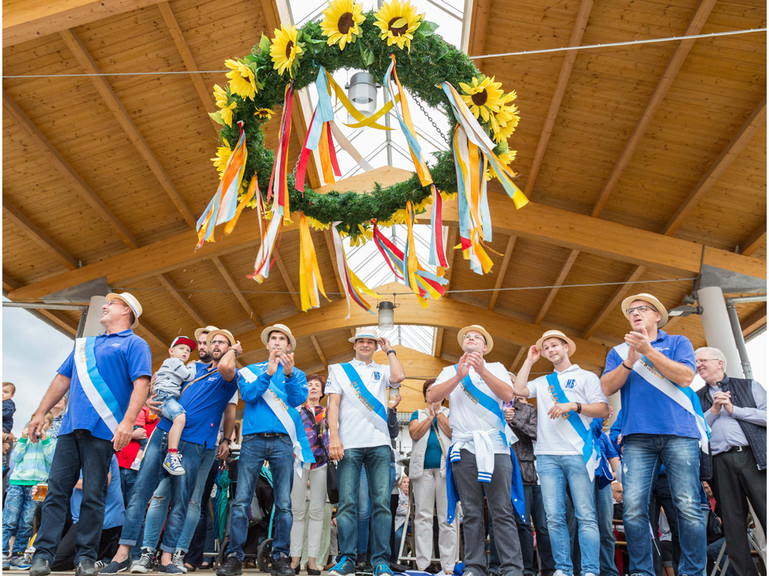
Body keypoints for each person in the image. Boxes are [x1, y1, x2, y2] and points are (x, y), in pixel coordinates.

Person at [28, 292, 151, 576]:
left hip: (103, 430)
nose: (105, 306)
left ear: (127, 311)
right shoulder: (85, 345)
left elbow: (141, 384)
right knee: (56, 492)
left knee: (94, 495)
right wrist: (39, 413)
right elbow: (62, 378)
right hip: (70, 428)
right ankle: (42, 555)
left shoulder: (136, 343)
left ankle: (85, 558)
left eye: (112, 303)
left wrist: (127, 423)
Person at [105, 327, 240, 574]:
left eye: (223, 342)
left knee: (182, 502)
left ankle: (168, 558)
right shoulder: (191, 369)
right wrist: (151, 399)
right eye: (213, 342)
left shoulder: (230, 374)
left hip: (196, 443)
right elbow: (165, 389)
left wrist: (231, 350)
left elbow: (226, 369)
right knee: (141, 495)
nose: (216, 345)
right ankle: (124, 554)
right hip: (164, 434)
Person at [600, 293, 706, 576]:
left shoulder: (677, 342)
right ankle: (641, 572)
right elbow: (607, 388)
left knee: (688, 506)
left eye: (642, 309)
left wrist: (648, 351)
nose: (635, 313)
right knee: (634, 509)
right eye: (631, 311)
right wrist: (629, 361)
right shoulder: (618, 352)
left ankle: (694, 572)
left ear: (657, 315)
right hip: (637, 437)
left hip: (679, 433)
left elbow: (685, 377)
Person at [428, 325, 525, 576]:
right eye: (467, 337)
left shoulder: (496, 368)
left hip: (495, 445)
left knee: (501, 509)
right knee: (470, 511)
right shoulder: (449, 370)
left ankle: (512, 568)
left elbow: (508, 394)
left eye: (477, 337)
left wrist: (480, 369)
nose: (471, 338)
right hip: (464, 446)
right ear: (463, 346)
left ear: (484, 347)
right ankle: (474, 567)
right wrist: (459, 376)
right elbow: (433, 397)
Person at [513, 329, 609, 576]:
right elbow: (519, 390)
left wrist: (574, 406)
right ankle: (562, 569)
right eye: (546, 348)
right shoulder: (543, 381)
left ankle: (589, 570)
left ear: (566, 347)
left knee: (586, 515)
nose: (550, 350)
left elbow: (603, 409)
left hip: (578, 452)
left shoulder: (586, 377)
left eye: (554, 345)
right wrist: (529, 360)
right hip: (546, 456)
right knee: (553, 517)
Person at [218, 323, 308, 576]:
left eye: (282, 339)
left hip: (282, 442)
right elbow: (248, 395)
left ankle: (281, 556)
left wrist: (288, 376)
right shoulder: (249, 371)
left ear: (288, 346)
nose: (277, 342)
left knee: (284, 504)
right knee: (241, 501)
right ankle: (234, 556)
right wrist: (267, 373)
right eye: (274, 338)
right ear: (267, 344)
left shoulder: (296, 373)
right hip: (253, 440)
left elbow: (297, 400)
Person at [326, 328, 405, 576]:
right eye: (361, 341)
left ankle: (380, 560)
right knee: (348, 504)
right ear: (354, 345)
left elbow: (399, 376)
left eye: (370, 342)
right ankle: (347, 558)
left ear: (375, 345)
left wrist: (389, 350)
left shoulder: (382, 370)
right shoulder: (338, 369)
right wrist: (334, 437)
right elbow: (333, 404)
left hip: (379, 443)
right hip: (348, 443)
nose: (365, 345)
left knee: (381, 504)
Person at [695, 346, 766, 576]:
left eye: (703, 360)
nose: (698, 365)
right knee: (733, 527)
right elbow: (695, 430)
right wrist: (714, 410)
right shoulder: (696, 397)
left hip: (752, 458)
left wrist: (735, 410)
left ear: (720, 363)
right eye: (696, 362)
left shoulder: (749, 386)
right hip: (719, 464)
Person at [408, 378, 456, 576]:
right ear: (425, 394)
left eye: (437, 390)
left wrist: (439, 415)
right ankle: (423, 565)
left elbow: (453, 433)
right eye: (429, 390)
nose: (432, 393)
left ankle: (449, 567)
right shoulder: (417, 414)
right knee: (423, 517)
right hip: (423, 471)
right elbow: (414, 434)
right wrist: (429, 417)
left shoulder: (452, 413)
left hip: (446, 471)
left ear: (443, 395)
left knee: (447, 518)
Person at [503, 395, 555, 576]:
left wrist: (513, 421)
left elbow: (536, 432)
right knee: (522, 524)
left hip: (537, 473)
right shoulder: (495, 408)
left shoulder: (529, 410)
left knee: (543, 526)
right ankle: (526, 570)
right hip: (513, 473)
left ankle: (549, 569)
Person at [2, 414, 56, 570]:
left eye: (44, 423)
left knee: (26, 521)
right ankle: (3, 552)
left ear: (50, 426)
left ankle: (18, 555)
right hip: (17, 483)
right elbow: (16, 457)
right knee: (9, 519)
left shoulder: (51, 442)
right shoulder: (23, 441)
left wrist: (45, 439)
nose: (40, 426)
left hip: (37, 485)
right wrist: (24, 439)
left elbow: (52, 459)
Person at [52, 455, 124, 571]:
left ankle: (106, 553)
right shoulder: (74, 453)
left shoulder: (100, 447)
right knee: (42, 510)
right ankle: (95, 555)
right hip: (79, 516)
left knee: (55, 562)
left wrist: (65, 482)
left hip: (101, 518)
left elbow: (103, 481)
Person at [290, 374, 330, 575]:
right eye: (309, 385)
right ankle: (295, 559)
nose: (313, 388)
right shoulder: (296, 410)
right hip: (299, 462)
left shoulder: (328, 412)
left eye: (317, 385)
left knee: (317, 512)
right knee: (297, 511)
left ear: (322, 392)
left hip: (321, 463)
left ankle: (313, 560)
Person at [154, 336, 198, 476]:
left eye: (188, 350)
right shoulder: (174, 361)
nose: (185, 352)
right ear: (171, 351)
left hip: (165, 395)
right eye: (181, 348)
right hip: (165, 396)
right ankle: (171, 455)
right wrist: (192, 365)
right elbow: (189, 376)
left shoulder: (172, 362)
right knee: (180, 418)